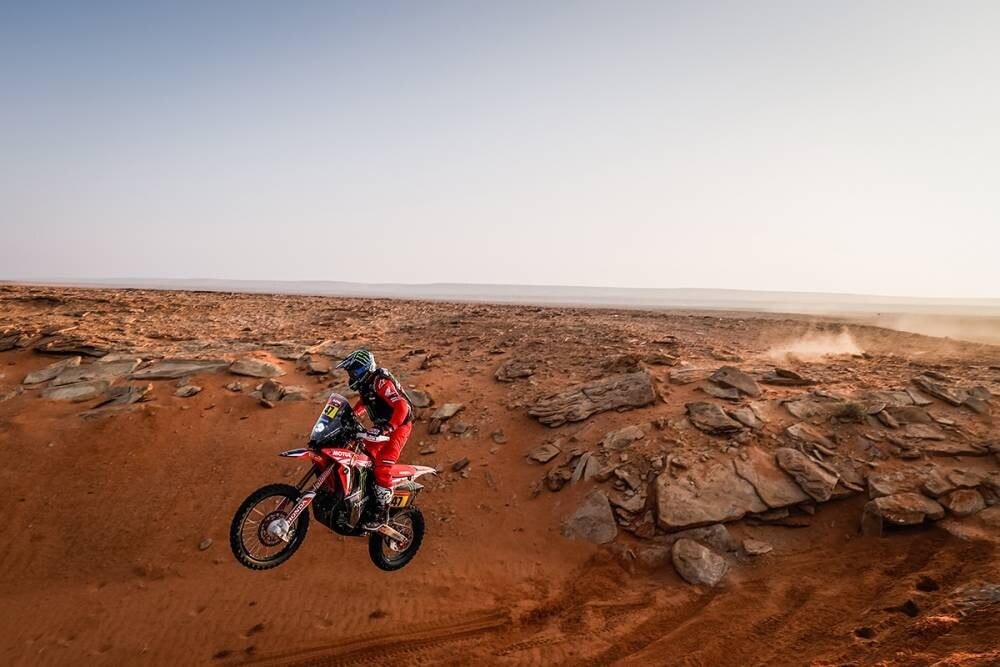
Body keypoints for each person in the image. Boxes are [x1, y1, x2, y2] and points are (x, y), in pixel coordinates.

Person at [336, 349, 413, 530]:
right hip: (382, 427)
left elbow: (402, 406)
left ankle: (381, 513)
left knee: (382, 467)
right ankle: (364, 499)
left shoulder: (380, 382)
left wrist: (390, 427)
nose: (351, 375)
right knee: (361, 458)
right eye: (349, 372)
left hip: (398, 426)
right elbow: (363, 404)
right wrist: (348, 417)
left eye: (353, 371)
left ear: (364, 369)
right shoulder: (367, 385)